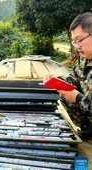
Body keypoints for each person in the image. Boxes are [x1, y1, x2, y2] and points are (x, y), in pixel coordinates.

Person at [43, 12, 92, 140]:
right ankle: (88, 131)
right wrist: (56, 82)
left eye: (80, 40)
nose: (78, 47)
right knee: (64, 94)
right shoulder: (83, 59)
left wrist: (77, 97)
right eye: (74, 42)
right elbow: (74, 79)